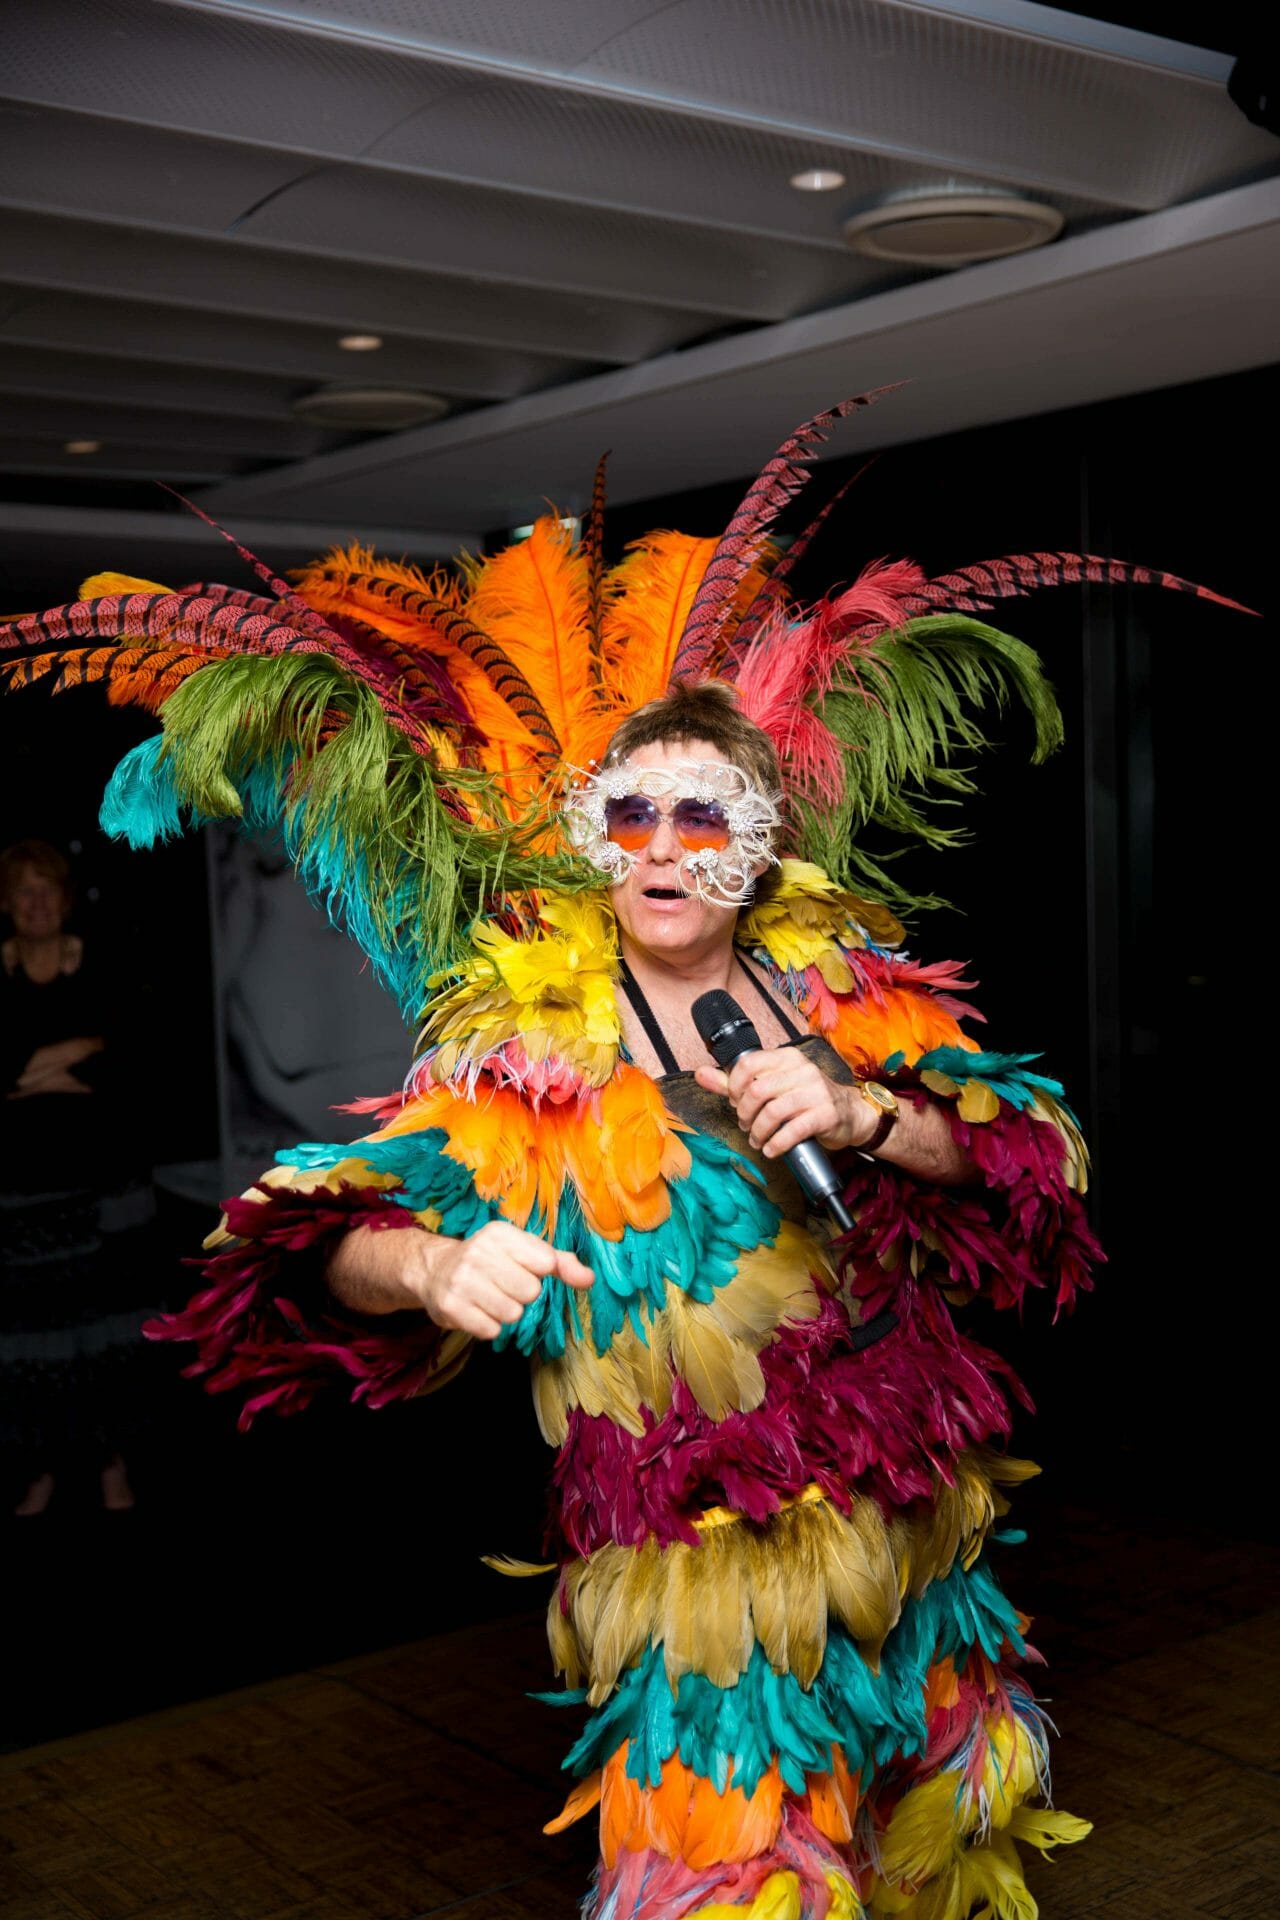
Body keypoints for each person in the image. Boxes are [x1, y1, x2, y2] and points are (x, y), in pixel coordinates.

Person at [1, 393, 1243, 1914]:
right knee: (734, 1877)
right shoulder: (526, 1054)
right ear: (595, 837)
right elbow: (316, 1246)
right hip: (694, 1557)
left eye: (698, 814)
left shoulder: (847, 994)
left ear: (759, 841)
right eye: (631, 811)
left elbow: (1030, 1169)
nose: (662, 846)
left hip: (918, 1501)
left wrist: (872, 1117)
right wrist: (434, 1261)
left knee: (942, 1837)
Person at [0, 839, 143, 1515]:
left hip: (102, 1185)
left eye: (46, 890)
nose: (35, 903)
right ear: (6, 904)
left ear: (64, 899)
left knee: (102, 1342)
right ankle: (41, 1472)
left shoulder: (99, 965)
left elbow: (122, 1069)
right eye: (22, 891)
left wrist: (30, 1071)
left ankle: (111, 1465)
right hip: (21, 1193)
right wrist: (72, 1057)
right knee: (32, 1347)